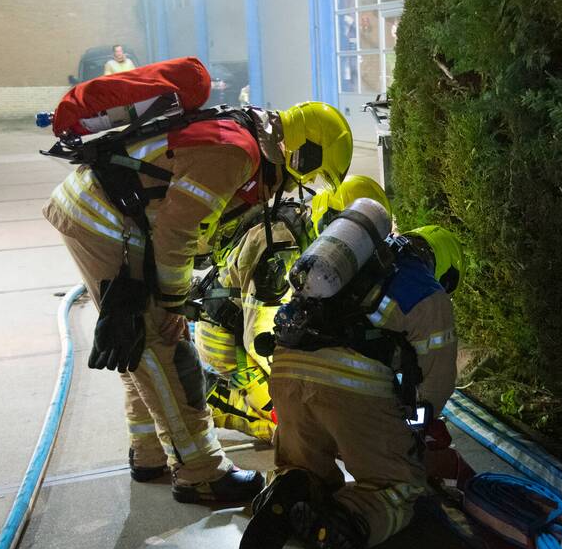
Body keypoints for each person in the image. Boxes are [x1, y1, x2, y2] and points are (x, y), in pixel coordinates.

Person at [42, 100, 353, 504]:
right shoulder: (234, 154)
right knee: (159, 344)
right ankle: (201, 473)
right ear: (301, 152)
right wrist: (173, 304)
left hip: (108, 217)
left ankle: (149, 452)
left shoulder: (242, 135)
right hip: (102, 222)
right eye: (300, 177)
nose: (290, 190)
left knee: (141, 342)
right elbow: (178, 232)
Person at [238, 225, 464, 549]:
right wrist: (414, 429)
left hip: (286, 372)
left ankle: (290, 489)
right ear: (444, 267)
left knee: (302, 464)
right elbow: (435, 385)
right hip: (351, 386)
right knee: (396, 486)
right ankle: (347, 519)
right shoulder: (427, 291)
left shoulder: (342, 268)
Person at [198, 176, 393, 443]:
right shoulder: (281, 247)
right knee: (303, 431)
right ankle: (217, 399)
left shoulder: (315, 237)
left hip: (258, 332)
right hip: (232, 345)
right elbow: (258, 341)